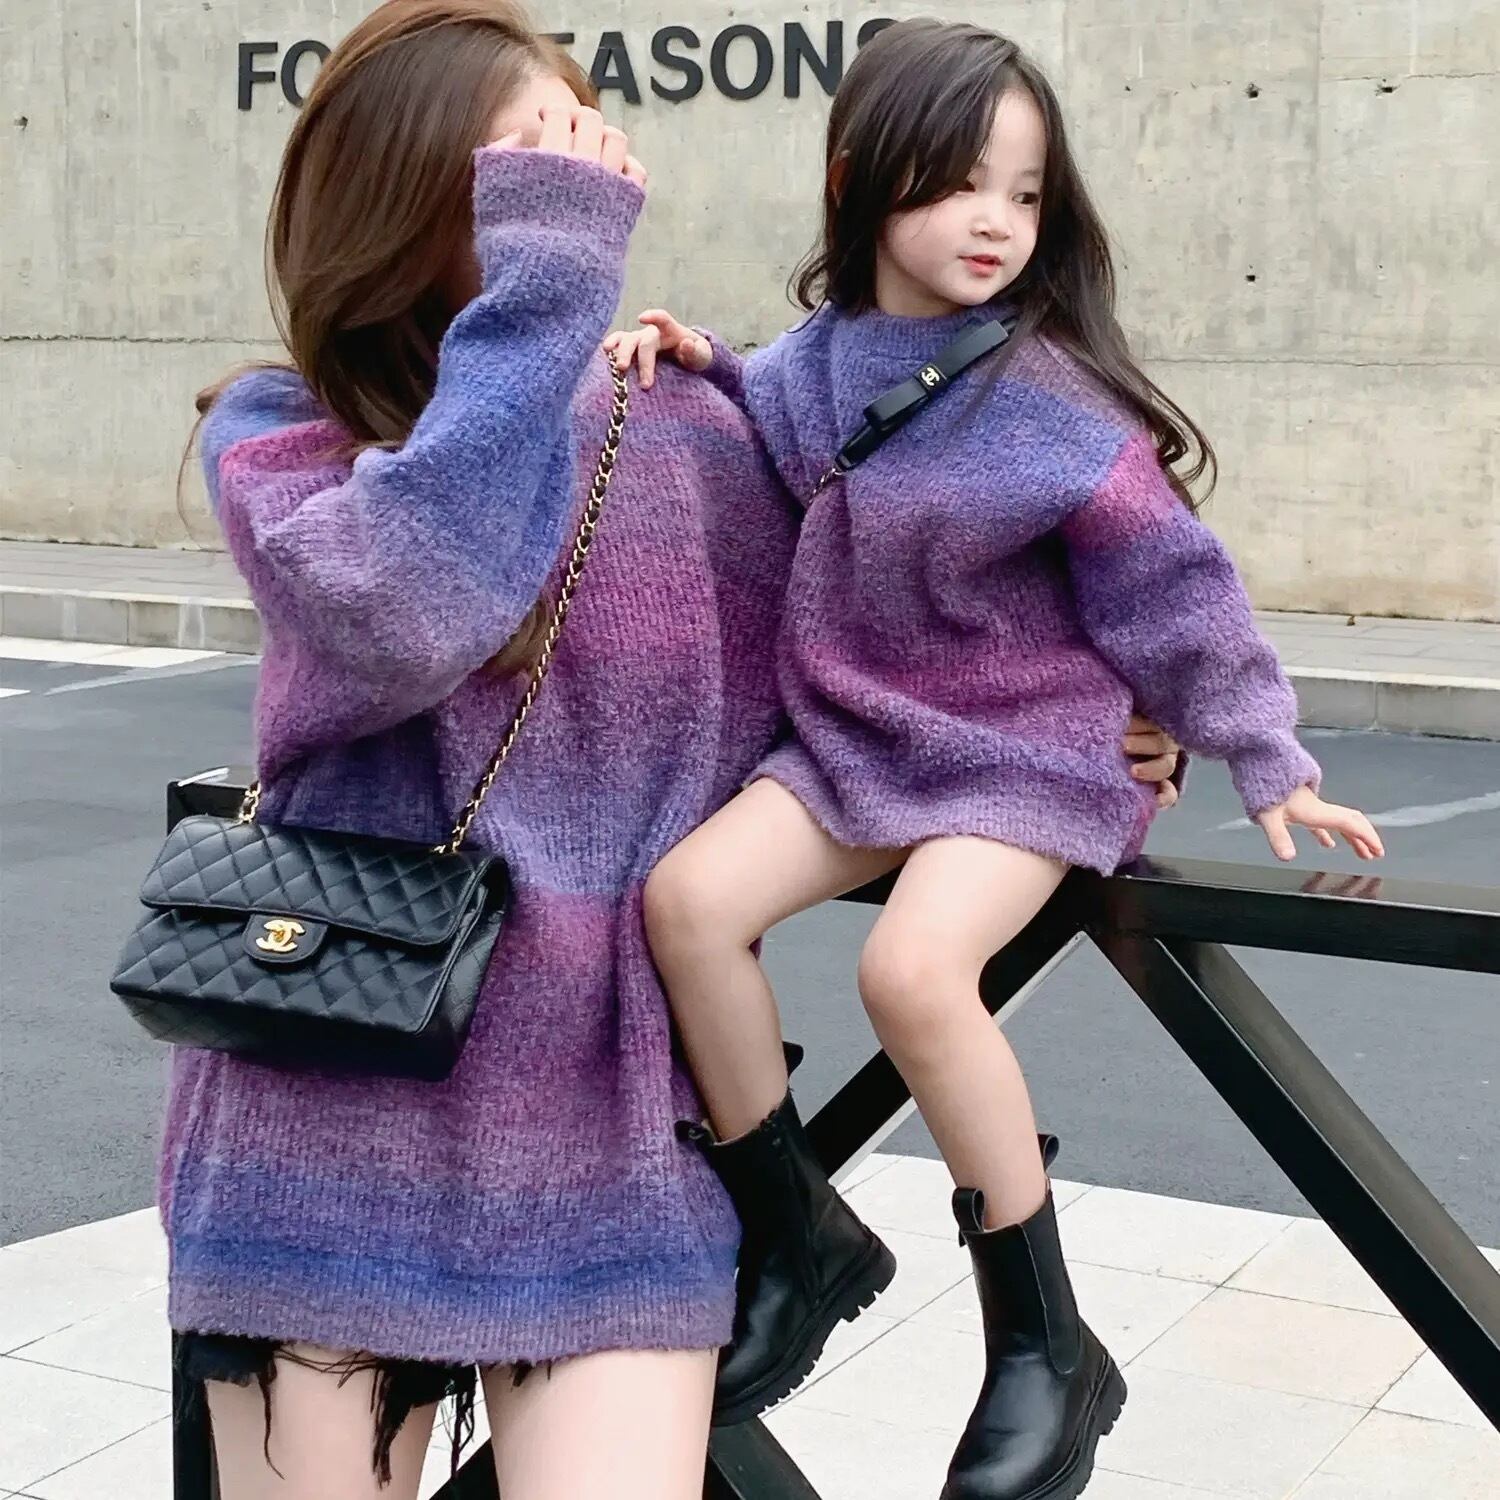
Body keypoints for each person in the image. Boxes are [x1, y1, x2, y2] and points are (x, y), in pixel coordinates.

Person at [168, 5, 1185, 1495]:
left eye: (588, 148)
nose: (581, 181)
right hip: (326, 1120)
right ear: (403, 188)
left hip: (616, 1137)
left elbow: (894, 637)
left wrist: (1078, 719)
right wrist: (548, 288)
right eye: (532, 161)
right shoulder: (288, 433)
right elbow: (404, 611)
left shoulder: (691, 426)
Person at [614, 19, 1384, 1500]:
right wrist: (689, 353)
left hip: (1031, 749)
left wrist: (1264, 752)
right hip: (866, 735)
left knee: (912, 972)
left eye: (1024, 194)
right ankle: (797, 1232)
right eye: (961, 182)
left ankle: (1042, 1342)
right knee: (688, 903)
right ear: (859, 176)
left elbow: (1174, 585)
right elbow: (772, 410)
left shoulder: (1050, 399)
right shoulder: (817, 365)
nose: (995, 221)